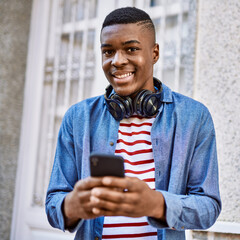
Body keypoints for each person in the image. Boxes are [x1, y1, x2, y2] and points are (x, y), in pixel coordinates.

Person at [46, 7, 221, 240]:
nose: (117, 61)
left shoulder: (194, 117)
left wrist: (156, 204)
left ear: (155, 53)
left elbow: (208, 208)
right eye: (108, 52)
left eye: (131, 49)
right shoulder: (78, 118)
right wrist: (72, 206)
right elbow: (53, 204)